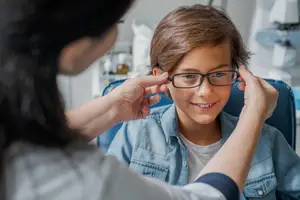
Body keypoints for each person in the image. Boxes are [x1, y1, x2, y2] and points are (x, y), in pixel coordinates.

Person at [0, 1, 278, 200]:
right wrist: (253, 116)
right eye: (114, 22)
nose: (204, 91)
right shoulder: (125, 146)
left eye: (218, 74)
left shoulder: (270, 140)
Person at [107, 5, 300, 200]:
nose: (206, 91)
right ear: (162, 79)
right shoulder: (136, 134)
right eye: (189, 76)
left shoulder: (266, 139)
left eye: (218, 74)